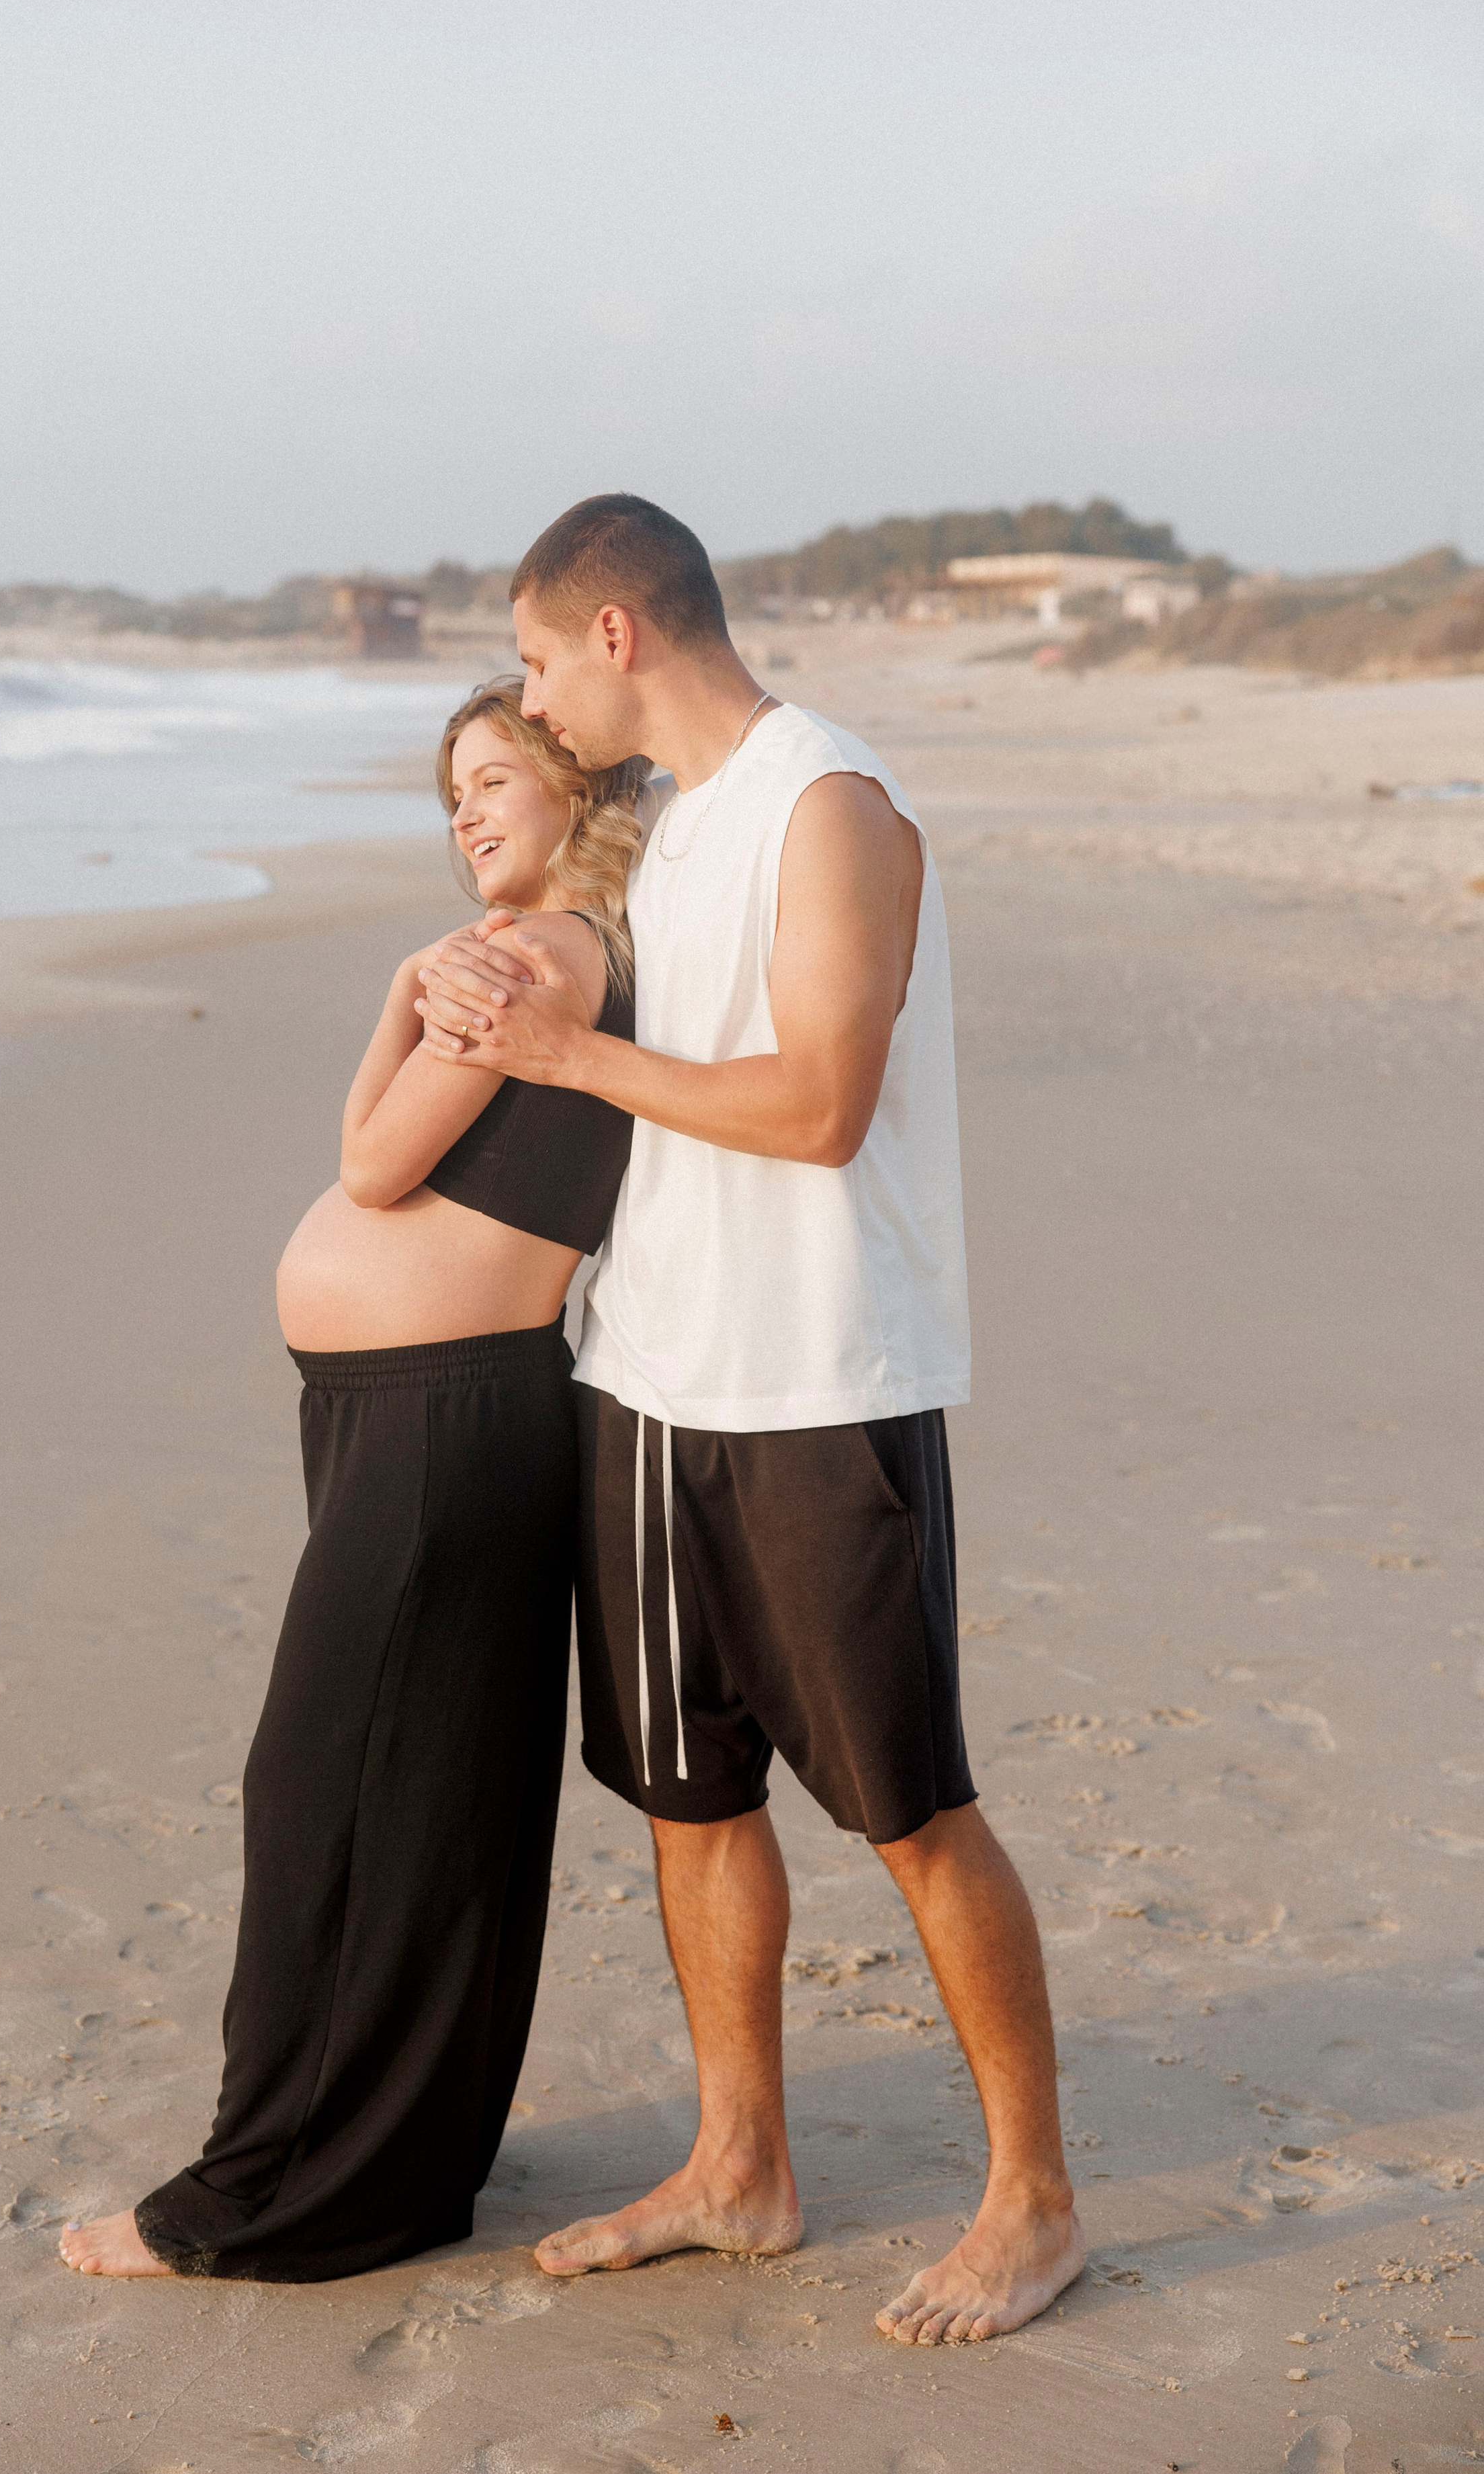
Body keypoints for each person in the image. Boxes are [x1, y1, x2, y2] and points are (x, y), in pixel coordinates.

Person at [414, 495, 1085, 2347]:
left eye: (542, 660)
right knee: (687, 1794)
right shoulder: (679, 825)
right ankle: (740, 2163)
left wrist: (571, 1055)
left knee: (911, 1803)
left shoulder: (827, 799)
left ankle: (1034, 2196)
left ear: (619, 631)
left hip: (820, 1382)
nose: (539, 701)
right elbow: (542, 923)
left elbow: (820, 1105)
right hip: (649, 1373)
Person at [59, 677, 647, 2283]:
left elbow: (375, 1166)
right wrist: (401, 990)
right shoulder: (536, 956)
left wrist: (413, 992)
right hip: (424, 1419)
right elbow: (366, 1134)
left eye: (489, 777)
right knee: (426, 1795)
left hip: (445, 1429)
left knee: (319, 1793)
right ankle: (403, 2162)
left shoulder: (539, 952)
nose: (461, 812)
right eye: (446, 793)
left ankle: (256, 2192)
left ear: (570, 782)